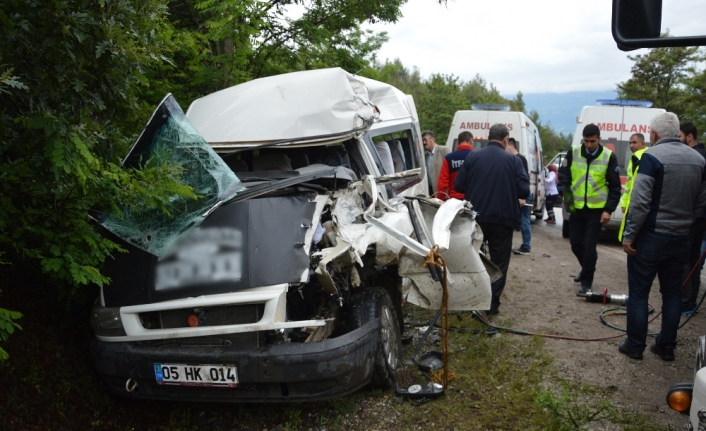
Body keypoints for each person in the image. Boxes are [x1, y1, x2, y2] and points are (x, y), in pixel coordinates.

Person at [619, 112, 706, 361]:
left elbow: (640, 201)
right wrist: (686, 220)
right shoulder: (698, 159)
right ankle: (666, 346)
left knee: (638, 293)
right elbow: (701, 199)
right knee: (673, 293)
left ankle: (635, 346)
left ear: (654, 135)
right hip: (680, 237)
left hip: (651, 237)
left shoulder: (651, 156)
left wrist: (629, 235)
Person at [454, 124, 529, 315]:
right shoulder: (514, 161)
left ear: (488, 138)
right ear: (505, 140)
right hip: (503, 220)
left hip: (475, 218)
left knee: (472, 257)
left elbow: (459, 184)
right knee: (499, 262)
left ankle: (471, 299)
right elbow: (524, 190)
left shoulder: (473, 157)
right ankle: (492, 303)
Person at [559, 124, 621, 294]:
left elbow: (615, 187)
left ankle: (586, 282)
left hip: (596, 210)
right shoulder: (574, 152)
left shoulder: (608, 157)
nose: (589, 145)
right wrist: (563, 192)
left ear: (599, 139)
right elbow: (564, 175)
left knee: (590, 246)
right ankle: (587, 267)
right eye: (586, 141)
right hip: (577, 208)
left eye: (592, 141)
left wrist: (608, 210)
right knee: (575, 243)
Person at [679, 121, 706, 316]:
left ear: (689, 136)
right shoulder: (703, 154)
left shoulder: (695, 157)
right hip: (700, 218)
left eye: (679, 137)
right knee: (694, 258)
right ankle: (690, 302)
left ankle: (686, 302)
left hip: (694, 217)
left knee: (686, 259)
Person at [617, 133, 649, 241]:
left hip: (638, 203)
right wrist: (624, 203)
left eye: (634, 142)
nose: (631, 145)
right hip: (632, 203)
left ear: (642, 143)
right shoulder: (634, 158)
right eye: (630, 143)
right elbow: (629, 184)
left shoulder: (643, 157)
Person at [506, 138, 532, 255]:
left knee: (524, 220)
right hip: (517, 194)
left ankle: (526, 246)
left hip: (522, 195)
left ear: (511, 146)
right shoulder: (516, 159)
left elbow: (523, 179)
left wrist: (522, 197)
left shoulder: (520, 159)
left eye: (506, 146)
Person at [436, 131, 474, 200]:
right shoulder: (476, 158)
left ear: (457, 143)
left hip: (454, 200)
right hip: (472, 199)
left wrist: (440, 199)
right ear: (471, 141)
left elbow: (442, 184)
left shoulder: (449, 158)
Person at [422, 131, 451, 196]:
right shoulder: (425, 156)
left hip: (443, 191)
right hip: (430, 191)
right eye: (422, 141)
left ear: (432, 139)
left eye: (425, 140)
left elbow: (451, 170)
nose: (424, 143)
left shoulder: (444, 150)